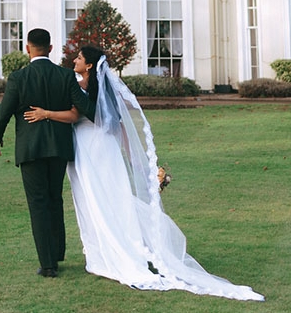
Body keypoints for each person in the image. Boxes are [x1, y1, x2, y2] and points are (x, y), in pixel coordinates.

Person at [23, 46, 264, 301]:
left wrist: (136, 161)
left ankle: (113, 255)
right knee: (101, 202)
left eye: (80, 58)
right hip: (101, 149)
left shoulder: (84, 88)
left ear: (90, 65)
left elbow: (99, 120)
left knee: (103, 202)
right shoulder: (88, 85)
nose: (75, 60)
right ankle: (101, 253)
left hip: (91, 150)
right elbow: (119, 127)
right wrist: (132, 158)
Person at [0, 29, 95, 278]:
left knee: (38, 203)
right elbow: (84, 107)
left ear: (28, 49)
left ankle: (48, 265)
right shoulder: (65, 75)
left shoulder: (18, 77)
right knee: (54, 198)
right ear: (50, 48)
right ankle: (57, 252)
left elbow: (4, 111)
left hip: (31, 148)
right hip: (59, 147)